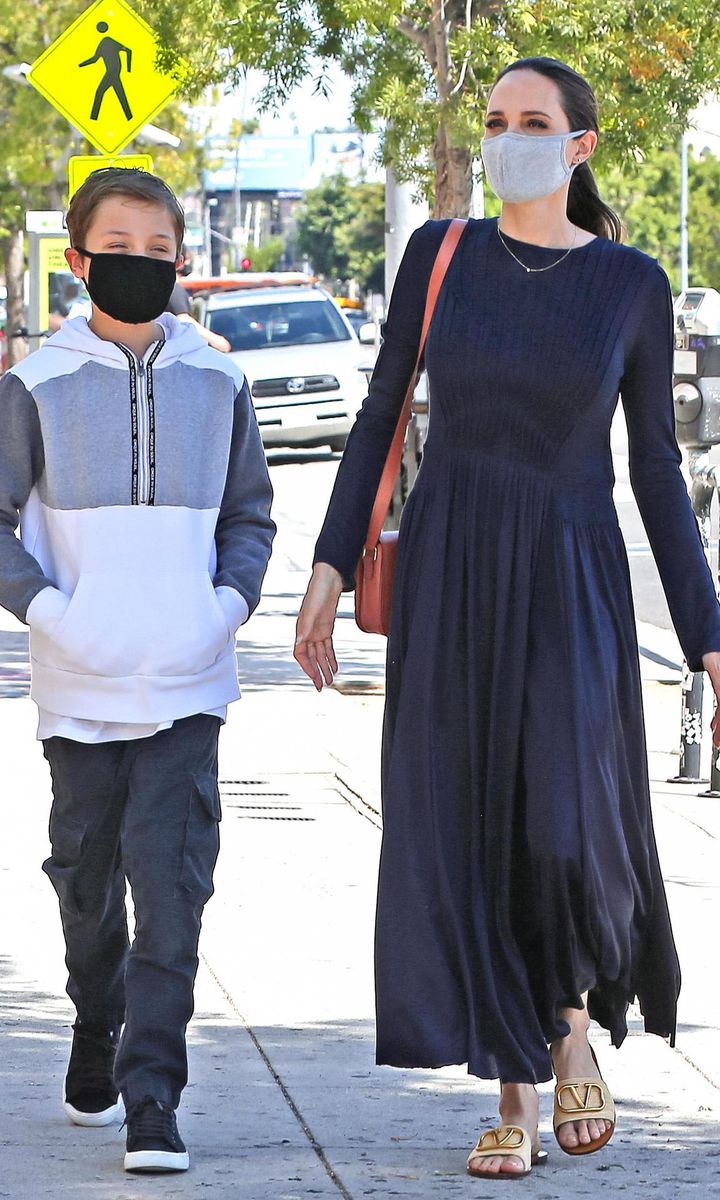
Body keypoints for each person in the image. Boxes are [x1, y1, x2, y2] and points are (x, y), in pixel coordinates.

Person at [294, 57, 720, 1180]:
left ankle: (573, 1019)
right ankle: (519, 1095)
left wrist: (709, 632)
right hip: (453, 565)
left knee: (566, 821)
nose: (507, 138)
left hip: (573, 573)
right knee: (474, 819)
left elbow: (659, 474)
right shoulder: (440, 257)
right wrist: (331, 566)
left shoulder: (630, 283)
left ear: (578, 146)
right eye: (494, 120)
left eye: (533, 122)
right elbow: (380, 413)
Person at [0, 167, 275, 1173]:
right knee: (86, 881)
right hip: (78, 690)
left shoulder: (220, 376)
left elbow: (248, 515)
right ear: (77, 262)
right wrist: (56, 614)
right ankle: (95, 1019)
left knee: (172, 887)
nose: (141, 266)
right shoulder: (32, 386)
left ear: (182, 264)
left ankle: (152, 1093)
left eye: (160, 252)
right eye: (120, 248)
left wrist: (225, 609)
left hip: (189, 686)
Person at [164, 246, 232, 353]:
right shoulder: (174, 289)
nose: (188, 263)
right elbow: (184, 320)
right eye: (186, 259)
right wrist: (217, 341)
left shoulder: (166, 289)